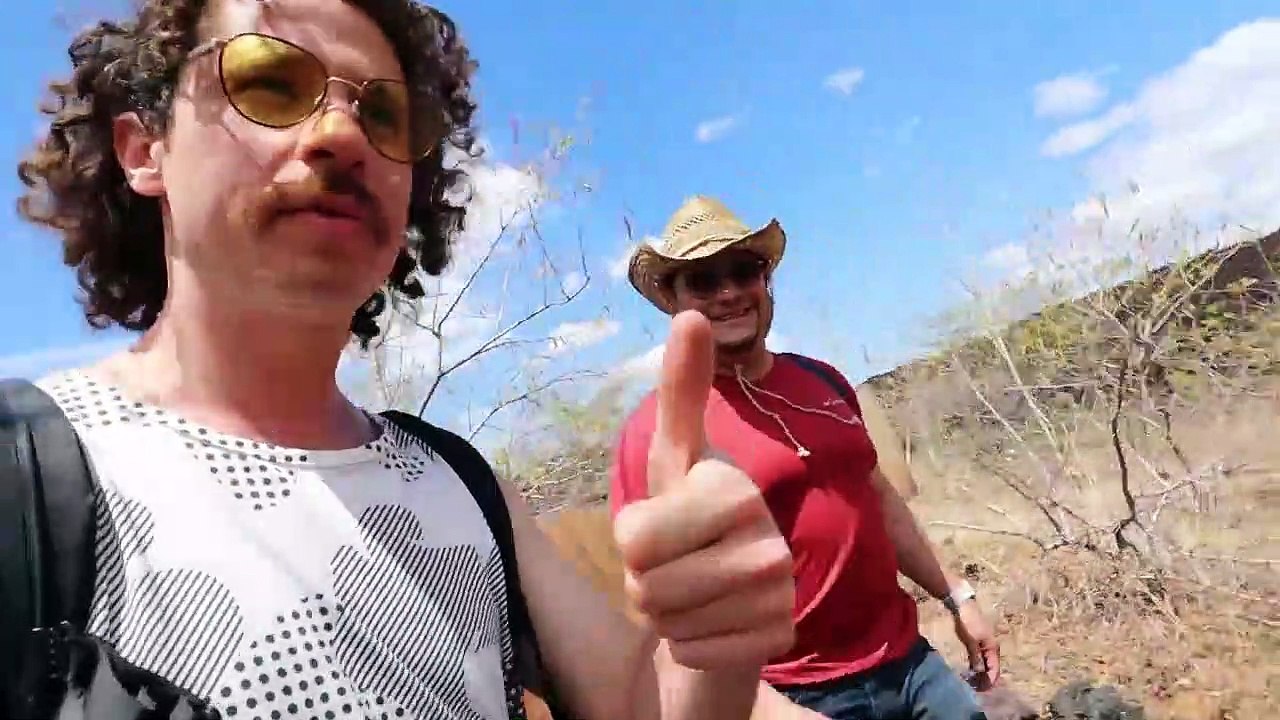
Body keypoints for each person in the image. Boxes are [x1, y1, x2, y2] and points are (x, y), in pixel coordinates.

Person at [6, 2, 817, 718]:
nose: (341, 134)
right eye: (271, 82)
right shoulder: (26, 475)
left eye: (386, 115)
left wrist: (712, 651)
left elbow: (645, 707)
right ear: (144, 150)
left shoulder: (461, 482)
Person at [608, 195, 1003, 720]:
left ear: (765, 280)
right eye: (703, 280)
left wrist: (957, 597)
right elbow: (655, 615)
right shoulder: (658, 433)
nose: (728, 292)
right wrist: (768, 712)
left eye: (743, 270)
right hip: (794, 697)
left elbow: (877, 498)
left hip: (908, 663)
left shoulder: (823, 379)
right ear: (675, 302)